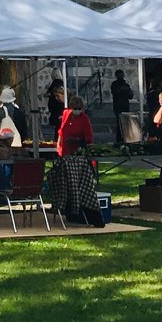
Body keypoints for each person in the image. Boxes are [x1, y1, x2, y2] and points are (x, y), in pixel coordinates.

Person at [51, 89, 105, 225]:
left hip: (78, 156)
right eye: (74, 108)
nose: (76, 111)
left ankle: (84, 213)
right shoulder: (66, 114)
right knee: (65, 184)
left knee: (78, 186)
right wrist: (59, 145)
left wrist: (76, 140)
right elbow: (61, 131)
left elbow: (89, 139)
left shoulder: (84, 119)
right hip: (65, 154)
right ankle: (69, 212)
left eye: (78, 108)